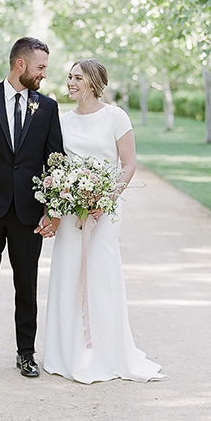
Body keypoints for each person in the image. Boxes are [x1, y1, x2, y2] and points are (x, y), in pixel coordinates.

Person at [43, 59, 167, 383]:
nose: (70, 82)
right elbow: (56, 166)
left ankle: (108, 354)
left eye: (77, 78)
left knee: (101, 275)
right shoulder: (62, 120)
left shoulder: (115, 117)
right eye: (69, 77)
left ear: (94, 82)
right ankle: (64, 353)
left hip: (106, 211)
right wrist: (64, 197)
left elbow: (128, 163)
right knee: (68, 274)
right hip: (72, 212)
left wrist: (105, 197)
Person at [0, 37, 63, 378]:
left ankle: (26, 354)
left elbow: (54, 161)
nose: (44, 74)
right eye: (41, 67)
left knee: (27, 285)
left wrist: (52, 207)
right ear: (21, 64)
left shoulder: (47, 107)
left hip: (27, 213)